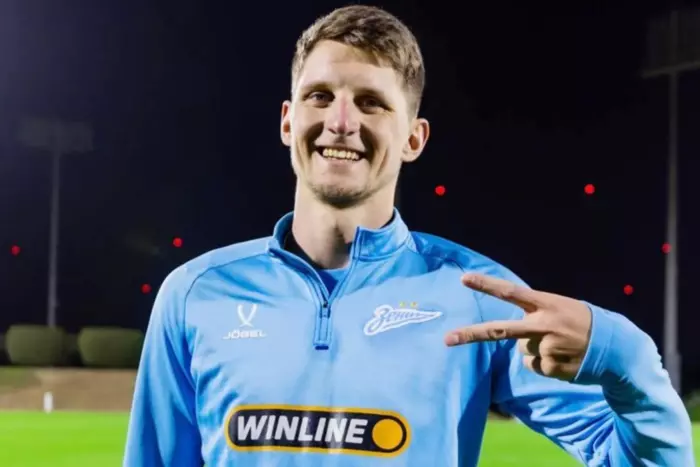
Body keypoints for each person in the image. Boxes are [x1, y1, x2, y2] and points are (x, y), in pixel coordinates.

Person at [123, 5, 694, 467]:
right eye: (320, 96)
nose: (340, 121)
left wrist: (624, 355)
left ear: (413, 139)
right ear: (287, 121)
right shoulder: (195, 294)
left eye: (371, 103)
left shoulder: (476, 295)